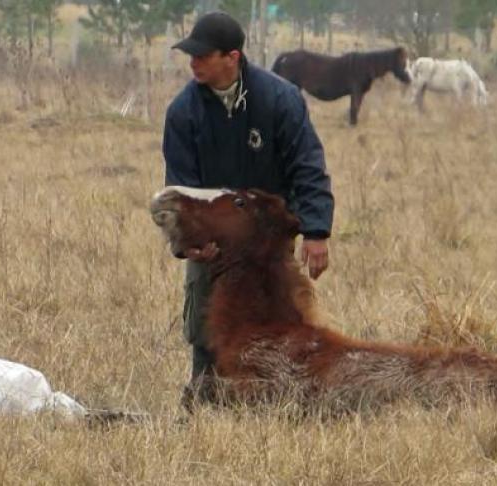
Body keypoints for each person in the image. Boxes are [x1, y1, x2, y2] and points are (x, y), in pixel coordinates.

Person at [162, 11, 334, 411]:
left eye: (203, 55)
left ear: (232, 57)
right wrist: (187, 243)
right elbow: (179, 189)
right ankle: (204, 403)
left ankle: (280, 403)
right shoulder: (183, 112)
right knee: (205, 324)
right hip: (213, 246)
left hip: (269, 240)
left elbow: (307, 166)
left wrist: (316, 231)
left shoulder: (280, 100)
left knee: (276, 318)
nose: (193, 62)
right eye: (191, 55)